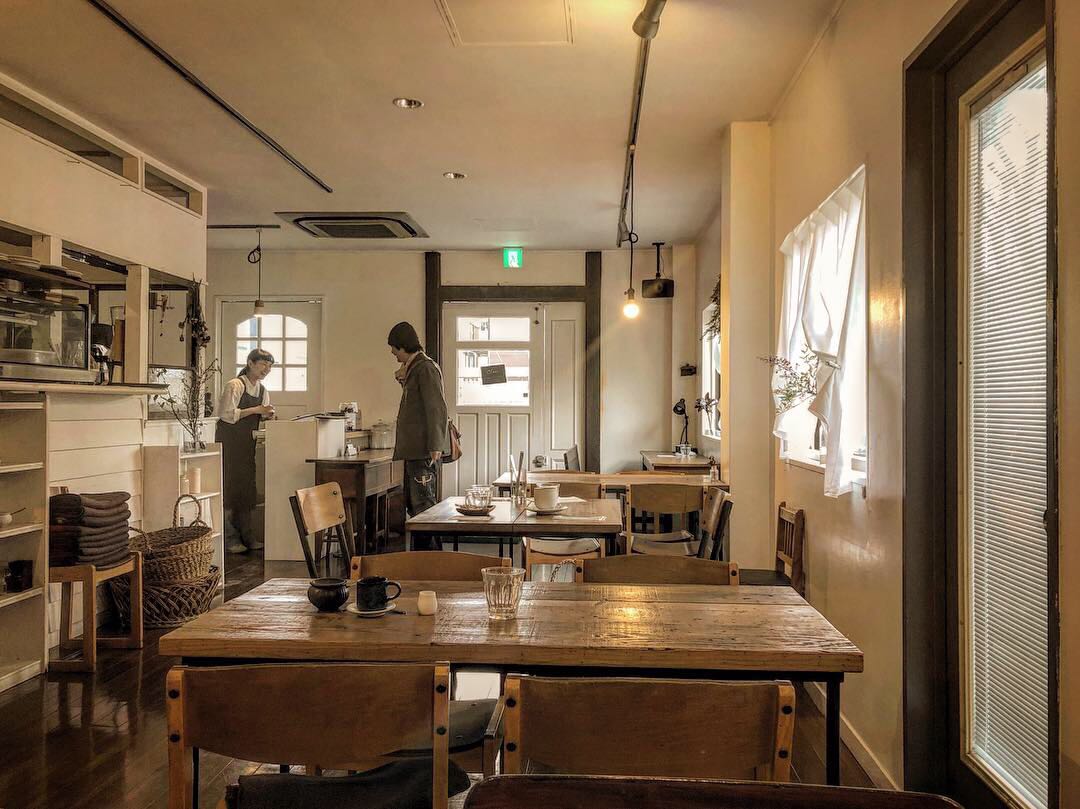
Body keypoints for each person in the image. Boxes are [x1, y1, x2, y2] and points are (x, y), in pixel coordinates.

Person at [388, 321, 449, 551]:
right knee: (417, 506)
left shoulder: (425, 368)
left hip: (422, 450)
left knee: (424, 507)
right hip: (414, 450)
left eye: (394, 347)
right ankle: (422, 557)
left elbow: (436, 408)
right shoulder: (414, 367)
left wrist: (435, 446)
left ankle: (429, 559)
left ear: (403, 345)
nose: (392, 353)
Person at [216, 348, 275, 553]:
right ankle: (230, 538)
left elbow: (262, 414)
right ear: (250, 363)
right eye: (263, 364)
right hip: (230, 444)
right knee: (229, 489)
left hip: (247, 445)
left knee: (246, 489)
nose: (266, 369)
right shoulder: (235, 385)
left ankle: (248, 536)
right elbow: (226, 415)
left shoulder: (262, 390)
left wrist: (267, 414)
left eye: (269, 366)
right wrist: (257, 410)